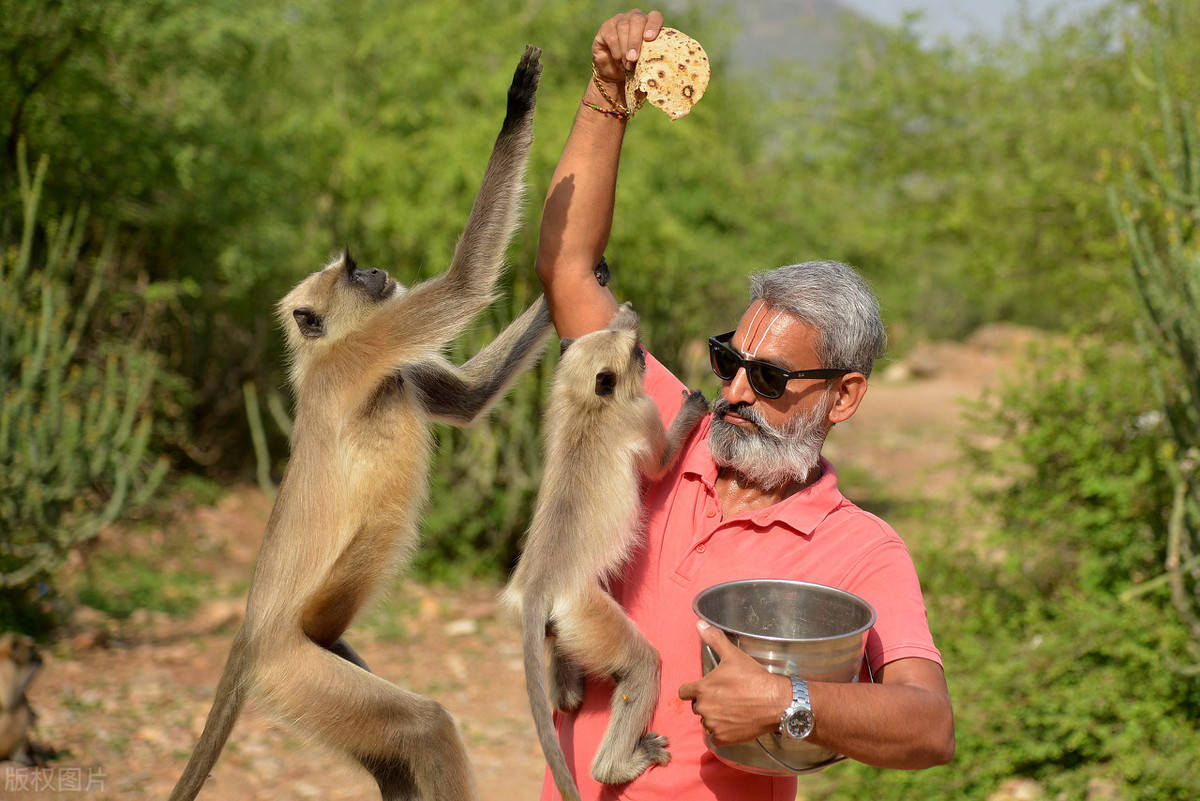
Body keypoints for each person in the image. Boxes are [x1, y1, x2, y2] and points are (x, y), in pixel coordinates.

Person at [532, 8, 955, 800]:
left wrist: (789, 702)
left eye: (767, 379)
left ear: (845, 393)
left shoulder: (859, 549)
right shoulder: (671, 437)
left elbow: (930, 725)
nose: (731, 391)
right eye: (731, 359)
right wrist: (606, 94)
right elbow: (568, 273)